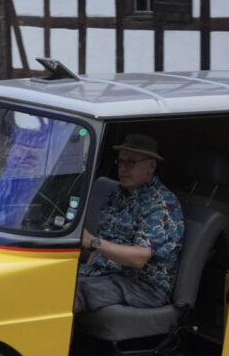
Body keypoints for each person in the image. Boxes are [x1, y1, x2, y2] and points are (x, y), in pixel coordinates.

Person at [74, 133, 184, 313]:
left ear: (151, 166)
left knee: (69, 295)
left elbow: (138, 258)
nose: (122, 169)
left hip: (141, 287)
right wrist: (88, 265)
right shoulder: (118, 194)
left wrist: (93, 242)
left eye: (130, 162)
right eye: (120, 162)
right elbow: (106, 236)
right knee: (54, 278)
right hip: (106, 273)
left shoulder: (162, 204)